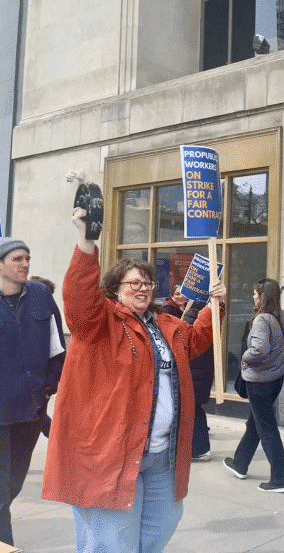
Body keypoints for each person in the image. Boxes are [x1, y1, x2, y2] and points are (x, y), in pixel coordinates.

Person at [42, 208, 226, 553]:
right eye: (134, 283)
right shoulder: (98, 322)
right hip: (111, 455)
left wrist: (214, 305)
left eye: (148, 282)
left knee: (160, 528)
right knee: (115, 542)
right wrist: (86, 241)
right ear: (115, 289)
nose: (143, 288)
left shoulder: (165, 323)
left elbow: (197, 340)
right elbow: (80, 295)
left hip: (161, 456)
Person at [0, 239, 65, 546]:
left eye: (27, 258)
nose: (24, 264)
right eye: (16, 258)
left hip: (31, 410)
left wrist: (48, 387)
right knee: (0, 491)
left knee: (12, 485)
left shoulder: (40, 295)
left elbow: (58, 347)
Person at [223, 278, 284, 492]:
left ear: (263, 296)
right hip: (275, 378)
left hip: (259, 381)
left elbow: (259, 350)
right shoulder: (283, 316)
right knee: (256, 423)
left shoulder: (262, 319)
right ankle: (240, 463)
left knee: (266, 428)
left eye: (255, 294)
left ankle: (280, 479)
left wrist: (244, 358)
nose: (253, 297)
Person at [163, 284, 214, 461]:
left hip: (193, 370)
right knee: (194, 409)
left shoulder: (192, 314)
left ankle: (198, 448)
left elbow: (188, 341)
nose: (181, 297)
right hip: (199, 370)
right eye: (177, 293)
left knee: (193, 409)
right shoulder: (191, 312)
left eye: (183, 294)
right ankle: (197, 447)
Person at [28, 275, 63, 439]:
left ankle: (60, 439)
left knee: (37, 419)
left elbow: (58, 353)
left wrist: (49, 386)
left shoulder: (50, 317)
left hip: (41, 383)